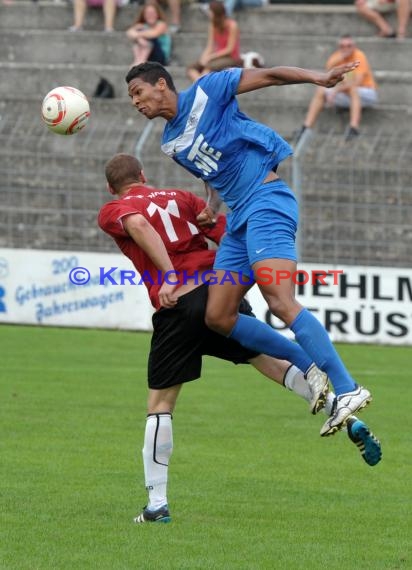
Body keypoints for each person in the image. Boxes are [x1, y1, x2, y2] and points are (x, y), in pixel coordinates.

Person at [98, 153, 382, 523]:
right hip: (218, 297)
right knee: (271, 364)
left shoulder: (113, 208)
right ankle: (343, 415)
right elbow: (225, 232)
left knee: (160, 405)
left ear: (111, 186)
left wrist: (168, 273)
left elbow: (137, 224)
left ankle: (157, 505)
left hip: (179, 306)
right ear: (144, 175)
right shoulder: (182, 199)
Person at [125, 62, 375, 439]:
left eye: (138, 92)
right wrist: (212, 207)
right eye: (131, 97)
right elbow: (212, 175)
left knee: (279, 299)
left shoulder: (210, 89)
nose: (135, 102)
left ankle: (347, 388)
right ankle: (308, 365)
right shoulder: (169, 143)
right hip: (240, 219)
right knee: (219, 316)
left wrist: (317, 78)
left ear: (161, 84)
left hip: (266, 200)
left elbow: (270, 75)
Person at [295, 35, 378, 142]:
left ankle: (354, 128)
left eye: (349, 46)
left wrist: (335, 91)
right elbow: (327, 78)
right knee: (321, 90)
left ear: (354, 47)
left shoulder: (359, 55)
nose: (346, 49)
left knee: (353, 90)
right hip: (347, 94)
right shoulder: (336, 57)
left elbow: (356, 83)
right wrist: (338, 60)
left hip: (366, 93)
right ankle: (306, 127)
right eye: (342, 46)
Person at [187, 1, 242, 83]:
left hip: (231, 58)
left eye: (210, 11)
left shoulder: (232, 25)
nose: (208, 13)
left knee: (208, 67)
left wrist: (210, 57)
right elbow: (210, 46)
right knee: (191, 69)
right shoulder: (212, 25)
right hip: (217, 57)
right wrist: (203, 58)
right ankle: (200, 85)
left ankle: (200, 87)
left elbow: (229, 49)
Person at [126, 2, 171, 66]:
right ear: (144, 15)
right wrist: (139, 38)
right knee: (141, 34)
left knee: (148, 36)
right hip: (148, 58)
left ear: (157, 14)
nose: (150, 15)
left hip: (160, 57)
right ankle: (139, 60)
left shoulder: (161, 24)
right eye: (147, 13)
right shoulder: (142, 26)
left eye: (152, 13)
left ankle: (140, 62)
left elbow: (154, 34)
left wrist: (137, 35)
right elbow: (129, 32)